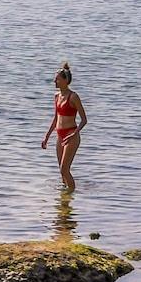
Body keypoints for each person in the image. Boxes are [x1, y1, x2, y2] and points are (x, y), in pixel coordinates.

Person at [41, 62, 87, 191]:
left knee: (64, 169)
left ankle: (71, 194)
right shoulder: (57, 96)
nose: (54, 81)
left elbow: (84, 120)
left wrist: (74, 134)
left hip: (71, 135)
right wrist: (47, 137)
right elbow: (56, 118)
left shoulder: (73, 97)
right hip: (60, 136)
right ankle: (64, 202)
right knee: (61, 172)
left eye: (57, 79)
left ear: (65, 80)